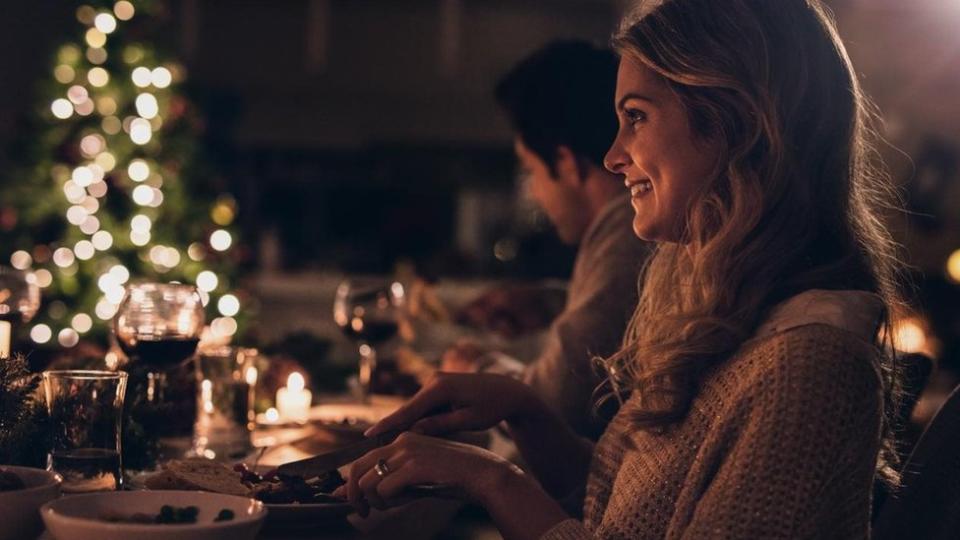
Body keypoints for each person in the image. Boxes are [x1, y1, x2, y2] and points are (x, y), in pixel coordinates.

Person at [334, 0, 906, 537]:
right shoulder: (727, 312)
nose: (612, 156)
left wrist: (490, 479)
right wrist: (522, 409)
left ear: (737, 124)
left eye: (636, 116)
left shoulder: (810, 364)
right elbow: (626, 511)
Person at [444, 40, 652, 439]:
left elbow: (560, 405)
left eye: (530, 171)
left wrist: (473, 370)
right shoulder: (622, 230)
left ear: (566, 162)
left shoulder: (631, 232)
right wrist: (552, 302)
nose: (535, 192)